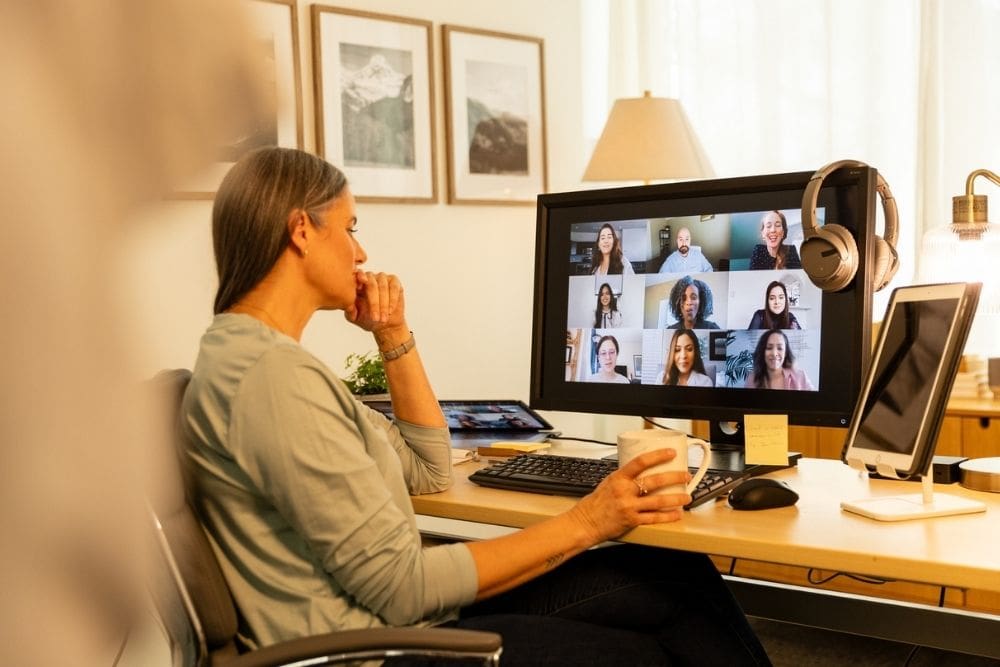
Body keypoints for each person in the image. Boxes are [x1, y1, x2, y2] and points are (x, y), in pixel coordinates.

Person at [181, 147, 770, 665]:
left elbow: (430, 470)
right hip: (377, 651)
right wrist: (593, 519)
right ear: (301, 232)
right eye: (350, 226)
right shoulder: (275, 380)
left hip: (395, 621)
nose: (360, 252)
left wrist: (392, 334)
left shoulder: (256, 358)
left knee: (675, 576)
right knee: (651, 654)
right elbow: (403, 588)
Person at [745, 329, 815, 390]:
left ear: (786, 353)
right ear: (762, 351)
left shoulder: (800, 376)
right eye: (769, 348)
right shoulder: (752, 379)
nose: (774, 353)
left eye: (780, 348)